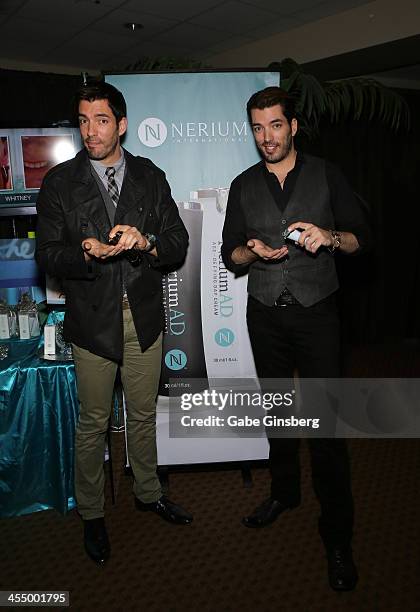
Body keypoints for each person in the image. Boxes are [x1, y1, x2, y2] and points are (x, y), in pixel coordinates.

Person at [36, 81, 192, 565]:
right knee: (94, 423)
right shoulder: (60, 182)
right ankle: (91, 514)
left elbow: (178, 241)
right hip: (92, 320)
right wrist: (85, 251)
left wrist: (145, 242)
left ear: (121, 124)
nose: (90, 131)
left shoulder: (149, 175)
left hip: (143, 317)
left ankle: (148, 492)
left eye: (100, 120)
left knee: (143, 416)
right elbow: (46, 253)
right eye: (83, 121)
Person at [221, 86, 371, 591]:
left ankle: (337, 536)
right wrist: (251, 251)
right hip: (265, 316)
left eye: (276, 126)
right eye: (258, 128)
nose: (267, 137)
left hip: (318, 316)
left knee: (326, 429)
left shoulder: (327, 174)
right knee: (280, 415)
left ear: (294, 126)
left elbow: (359, 236)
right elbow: (229, 256)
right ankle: (285, 492)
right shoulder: (243, 185)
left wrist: (330, 238)